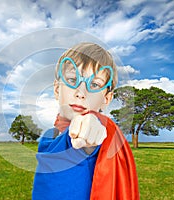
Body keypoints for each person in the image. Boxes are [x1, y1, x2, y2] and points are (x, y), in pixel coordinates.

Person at [32, 42, 139, 200]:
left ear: (106, 98)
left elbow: (91, 130)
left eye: (95, 84)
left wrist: (92, 127)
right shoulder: (49, 136)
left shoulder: (92, 137)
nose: (81, 92)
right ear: (56, 89)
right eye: (72, 79)